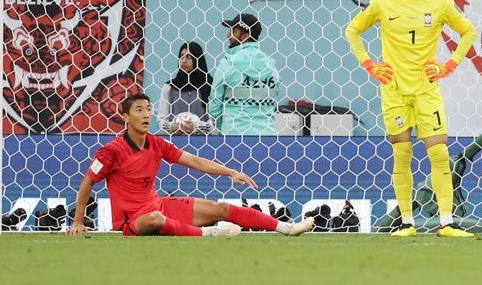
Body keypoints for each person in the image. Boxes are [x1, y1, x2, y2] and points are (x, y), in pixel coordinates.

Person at [345, 0, 478, 237]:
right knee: (402, 153)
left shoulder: (440, 3)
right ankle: (407, 223)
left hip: (426, 90)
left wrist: (449, 66)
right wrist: (369, 64)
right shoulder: (382, 3)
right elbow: (352, 31)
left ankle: (446, 222)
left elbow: (469, 32)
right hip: (394, 91)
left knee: (440, 154)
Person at [67, 93, 314, 237]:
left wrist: (229, 172)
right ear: (125, 116)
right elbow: (88, 181)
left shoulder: (156, 143)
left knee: (220, 208)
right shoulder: (111, 150)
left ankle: (287, 229)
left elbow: (194, 161)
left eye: (149, 109)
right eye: (139, 110)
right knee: (154, 220)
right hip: (133, 219)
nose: (146, 115)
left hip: (160, 205)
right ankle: (209, 233)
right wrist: (78, 221)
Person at [208, 13, 280, 135]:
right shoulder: (271, 67)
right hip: (267, 137)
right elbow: (272, 104)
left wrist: (224, 129)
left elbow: (214, 107)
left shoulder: (227, 64)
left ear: (245, 36)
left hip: (233, 137)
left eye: (233, 31)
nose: (228, 35)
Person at [159, 42, 213, 135]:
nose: (183, 61)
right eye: (181, 57)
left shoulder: (209, 86)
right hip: (175, 143)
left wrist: (196, 127)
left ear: (198, 59)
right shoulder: (169, 87)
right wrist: (172, 127)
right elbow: (161, 121)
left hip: (204, 142)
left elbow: (216, 122)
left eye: (188, 57)